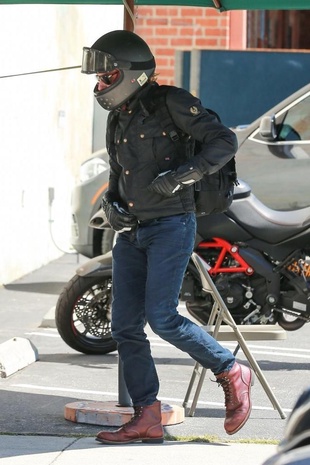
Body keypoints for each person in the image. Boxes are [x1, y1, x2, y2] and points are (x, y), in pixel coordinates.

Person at [81, 29, 253, 445]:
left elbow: (223, 141)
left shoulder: (171, 101)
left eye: (108, 76)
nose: (100, 85)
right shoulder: (116, 117)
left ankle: (230, 368)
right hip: (133, 232)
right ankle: (147, 416)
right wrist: (113, 206)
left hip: (171, 226)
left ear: (134, 74)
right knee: (124, 325)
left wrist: (181, 177)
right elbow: (117, 173)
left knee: (162, 317)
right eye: (100, 78)